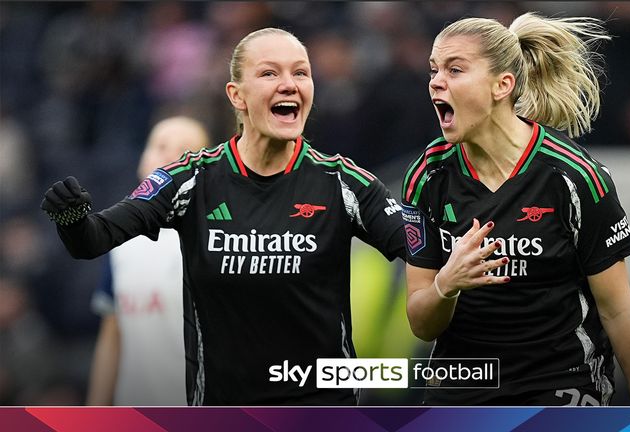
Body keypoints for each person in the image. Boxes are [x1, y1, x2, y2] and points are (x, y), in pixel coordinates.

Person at [41, 28, 405, 405]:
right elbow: (93, 239)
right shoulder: (189, 181)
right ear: (237, 95)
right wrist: (72, 219)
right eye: (269, 73)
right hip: (220, 416)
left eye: (300, 73)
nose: (289, 84)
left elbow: (423, 245)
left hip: (319, 415)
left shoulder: (343, 183)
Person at [401, 13, 630, 405]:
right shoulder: (426, 178)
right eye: (434, 69)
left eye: (455, 69)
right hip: (465, 388)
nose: (436, 81)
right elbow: (421, 322)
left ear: (502, 85)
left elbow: (619, 313)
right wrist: (446, 284)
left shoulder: (575, 176)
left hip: (560, 385)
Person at [86, 116, 210, 406]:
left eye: (184, 152)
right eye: (160, 145)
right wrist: (94, 410)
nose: (168, 155)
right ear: (142, 159)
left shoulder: (216, 240)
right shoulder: (120, 241)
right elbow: (111, 336)